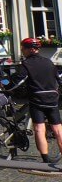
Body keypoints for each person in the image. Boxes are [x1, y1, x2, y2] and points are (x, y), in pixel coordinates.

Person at [7, 38, 62, 166]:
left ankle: (46, 160)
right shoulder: (49, 62)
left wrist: (5, 88)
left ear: (29, 49)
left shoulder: (26, 64)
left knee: (39, 128)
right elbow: (59, 80)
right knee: (58, 130)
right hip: (53, 99)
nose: (22, 51)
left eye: (23, 49)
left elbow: (17, 81)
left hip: (37, 100)